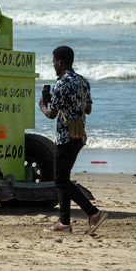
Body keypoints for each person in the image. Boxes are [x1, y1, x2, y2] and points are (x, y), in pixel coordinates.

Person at [39, 45, 108, 234]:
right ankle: (64, 223)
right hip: (79, 135)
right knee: (63, 178)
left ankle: (93, 213)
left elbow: (52, 114)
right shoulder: (82, 81)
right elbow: (88, 110)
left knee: (60, 180)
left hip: (65, 137)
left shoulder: (61, 84)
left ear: (60, 62)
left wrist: (42, 105)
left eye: (54, 62)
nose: (53, 66)